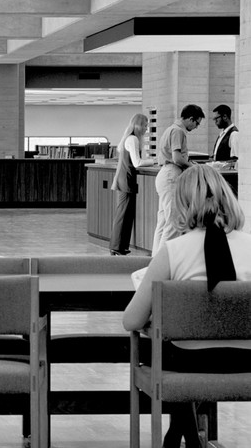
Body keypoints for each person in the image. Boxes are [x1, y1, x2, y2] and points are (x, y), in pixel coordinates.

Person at [123, 164, 251, 448]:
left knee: (163, 350)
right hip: (246, 361)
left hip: (191, 362)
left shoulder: (174, 251)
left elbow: (131, 321)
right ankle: (189, 440)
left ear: (181, 204)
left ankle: (183, 439)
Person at [151, 104, 205, 256]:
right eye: (197, 123)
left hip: (164, 175)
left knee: (162, 222)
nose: (196, 127)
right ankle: (163, 263)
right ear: (190, 119)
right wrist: (192, 166)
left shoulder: (170, 129)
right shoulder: (178, 131)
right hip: (171, 176)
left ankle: (155, 260)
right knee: (174, 222)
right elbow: (177, 158)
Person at [109, 113, 154, 256]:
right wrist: (155, 161)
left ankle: (120, 246)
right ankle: (117, 246)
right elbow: (137, 163)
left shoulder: (130, 139)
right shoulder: (133, 139)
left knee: (125, 214)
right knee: (123, 214)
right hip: (127, 180)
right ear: (139, 125)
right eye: (145, 125)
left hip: (125, 179)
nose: (147, 128)